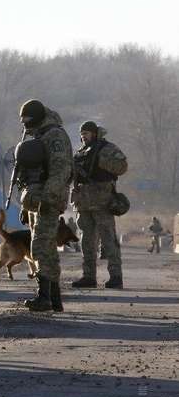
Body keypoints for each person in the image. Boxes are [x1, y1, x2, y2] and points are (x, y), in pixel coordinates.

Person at [17, 100, 72, 312]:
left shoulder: (54, 136)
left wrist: (48, 198)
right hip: (35, 198)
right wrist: (26, 206)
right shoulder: (38, 135)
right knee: (46, 247)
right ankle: (54, 298)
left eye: (28, 120)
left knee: (40, 245)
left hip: (48, 199)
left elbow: (60, 170)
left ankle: (45, 297)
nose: (25, 124)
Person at [70, 122, 128, 289]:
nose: (83, 136)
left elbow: (122, 166)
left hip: (102, 203)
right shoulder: (80, 152)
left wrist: (103, 162)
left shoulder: (107, 148)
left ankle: (116, 276)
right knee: (86, 242)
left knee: (108, 240)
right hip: (83, 203)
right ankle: (89, 277)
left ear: (95, 133)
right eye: (82, 133)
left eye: (86, 133)